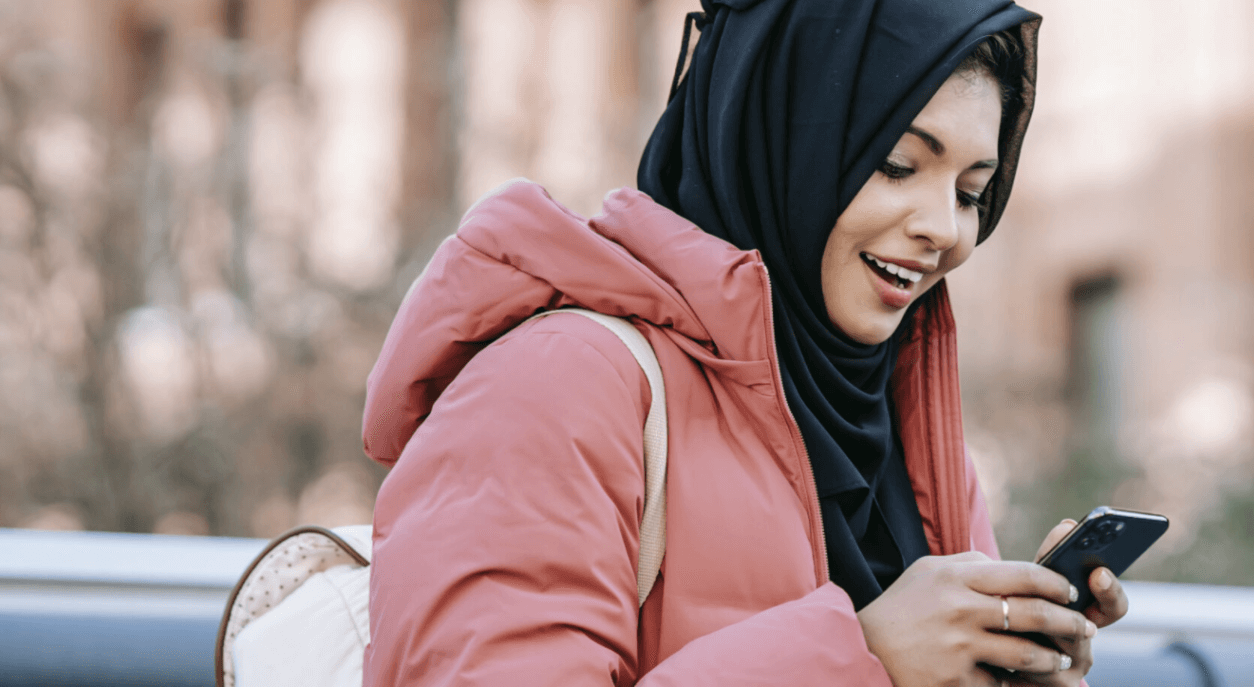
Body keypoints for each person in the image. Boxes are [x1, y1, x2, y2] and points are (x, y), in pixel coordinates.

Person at [360, 1, 1128, 685]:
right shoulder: (559, 383)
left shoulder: (909, 427)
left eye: (969, 192)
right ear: (782, 139)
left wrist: (1006, 659)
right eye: (897, 165)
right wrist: (865, 657)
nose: (943, 227)